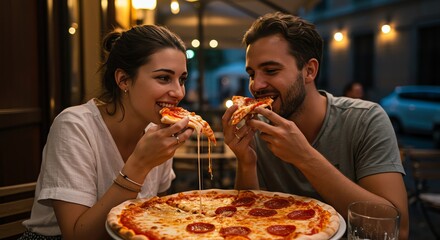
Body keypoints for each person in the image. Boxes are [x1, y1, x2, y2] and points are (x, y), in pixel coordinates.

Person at [222, 12, 409, 239]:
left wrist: (305, 157)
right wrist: (246, 162)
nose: (256, 85)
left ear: (309, 70)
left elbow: (396, 231)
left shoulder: (365, 119)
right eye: (251, 73)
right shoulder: (259, 128)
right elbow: (247, 224)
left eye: (271, 70)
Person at [19, 25, 193, 240]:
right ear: (123, 80)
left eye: (182, 79)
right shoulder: (74, 126)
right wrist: (139, 165)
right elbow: (76, 236)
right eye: (164, 78)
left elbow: (153, 218)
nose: (178, 92)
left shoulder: (157, 131)